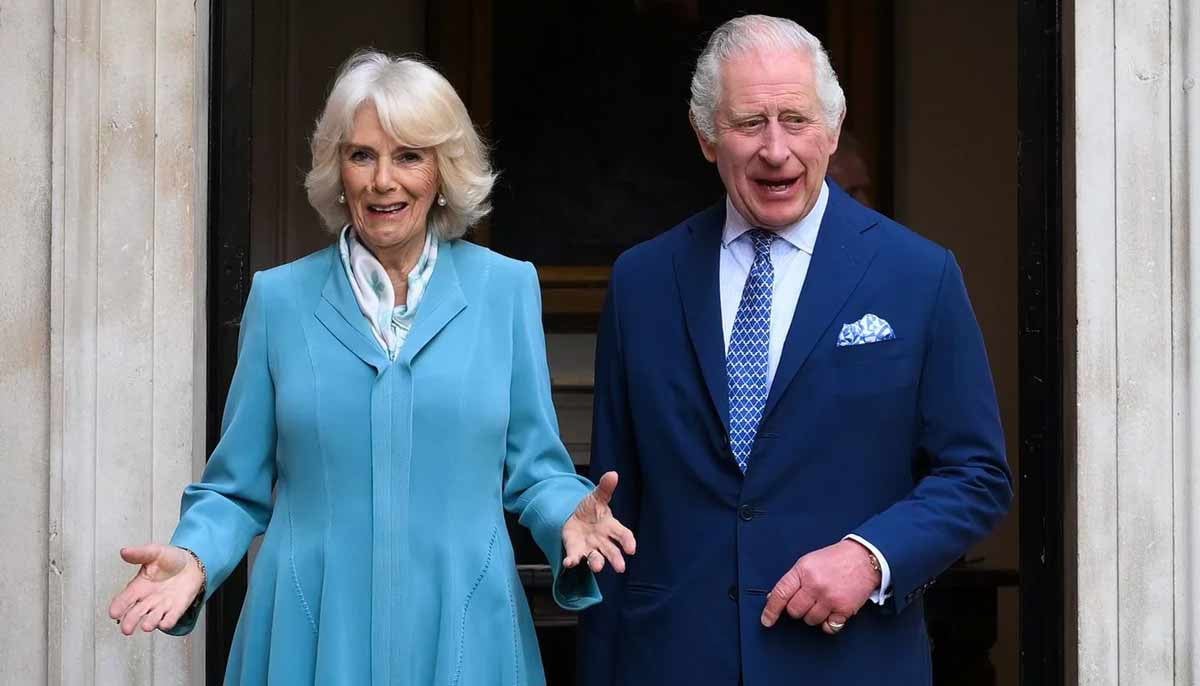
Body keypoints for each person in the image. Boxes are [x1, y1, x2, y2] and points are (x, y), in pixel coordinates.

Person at [108, 50, 635, 685]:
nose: (383, 180)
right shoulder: (279, 301)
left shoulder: (506, 290)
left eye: (409, 156)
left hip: (466, 632)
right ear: (338, 170)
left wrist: (567, 513)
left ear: (444, 171)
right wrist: (194, 556)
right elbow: (235, 488)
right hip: (308, 634)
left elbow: (536, 471)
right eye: (362, 155)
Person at [578, 15, 1011, 685]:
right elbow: (613, 508)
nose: (775, 150)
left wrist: (870, 557)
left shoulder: (919, 275)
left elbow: (977, 475)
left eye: (796, 120)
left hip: (849, 660)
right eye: (750, 123)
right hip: (672, 660)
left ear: (831, 130)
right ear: (706, 136)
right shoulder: (642, 281)